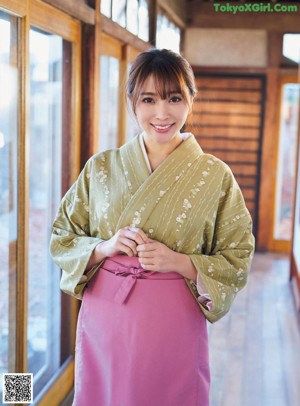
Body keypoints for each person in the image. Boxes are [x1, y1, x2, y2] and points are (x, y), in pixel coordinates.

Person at [50, 48, 255, 406]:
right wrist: (104, 246)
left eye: (174, 98)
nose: (162, 113)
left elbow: (238, 254)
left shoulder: (215, 175)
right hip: (106, 317)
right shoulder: (101, 167)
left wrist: (180, 262)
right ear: (132, 102)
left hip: (173, 318)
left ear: (190, 99)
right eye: (148, 99)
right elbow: (62, 236)